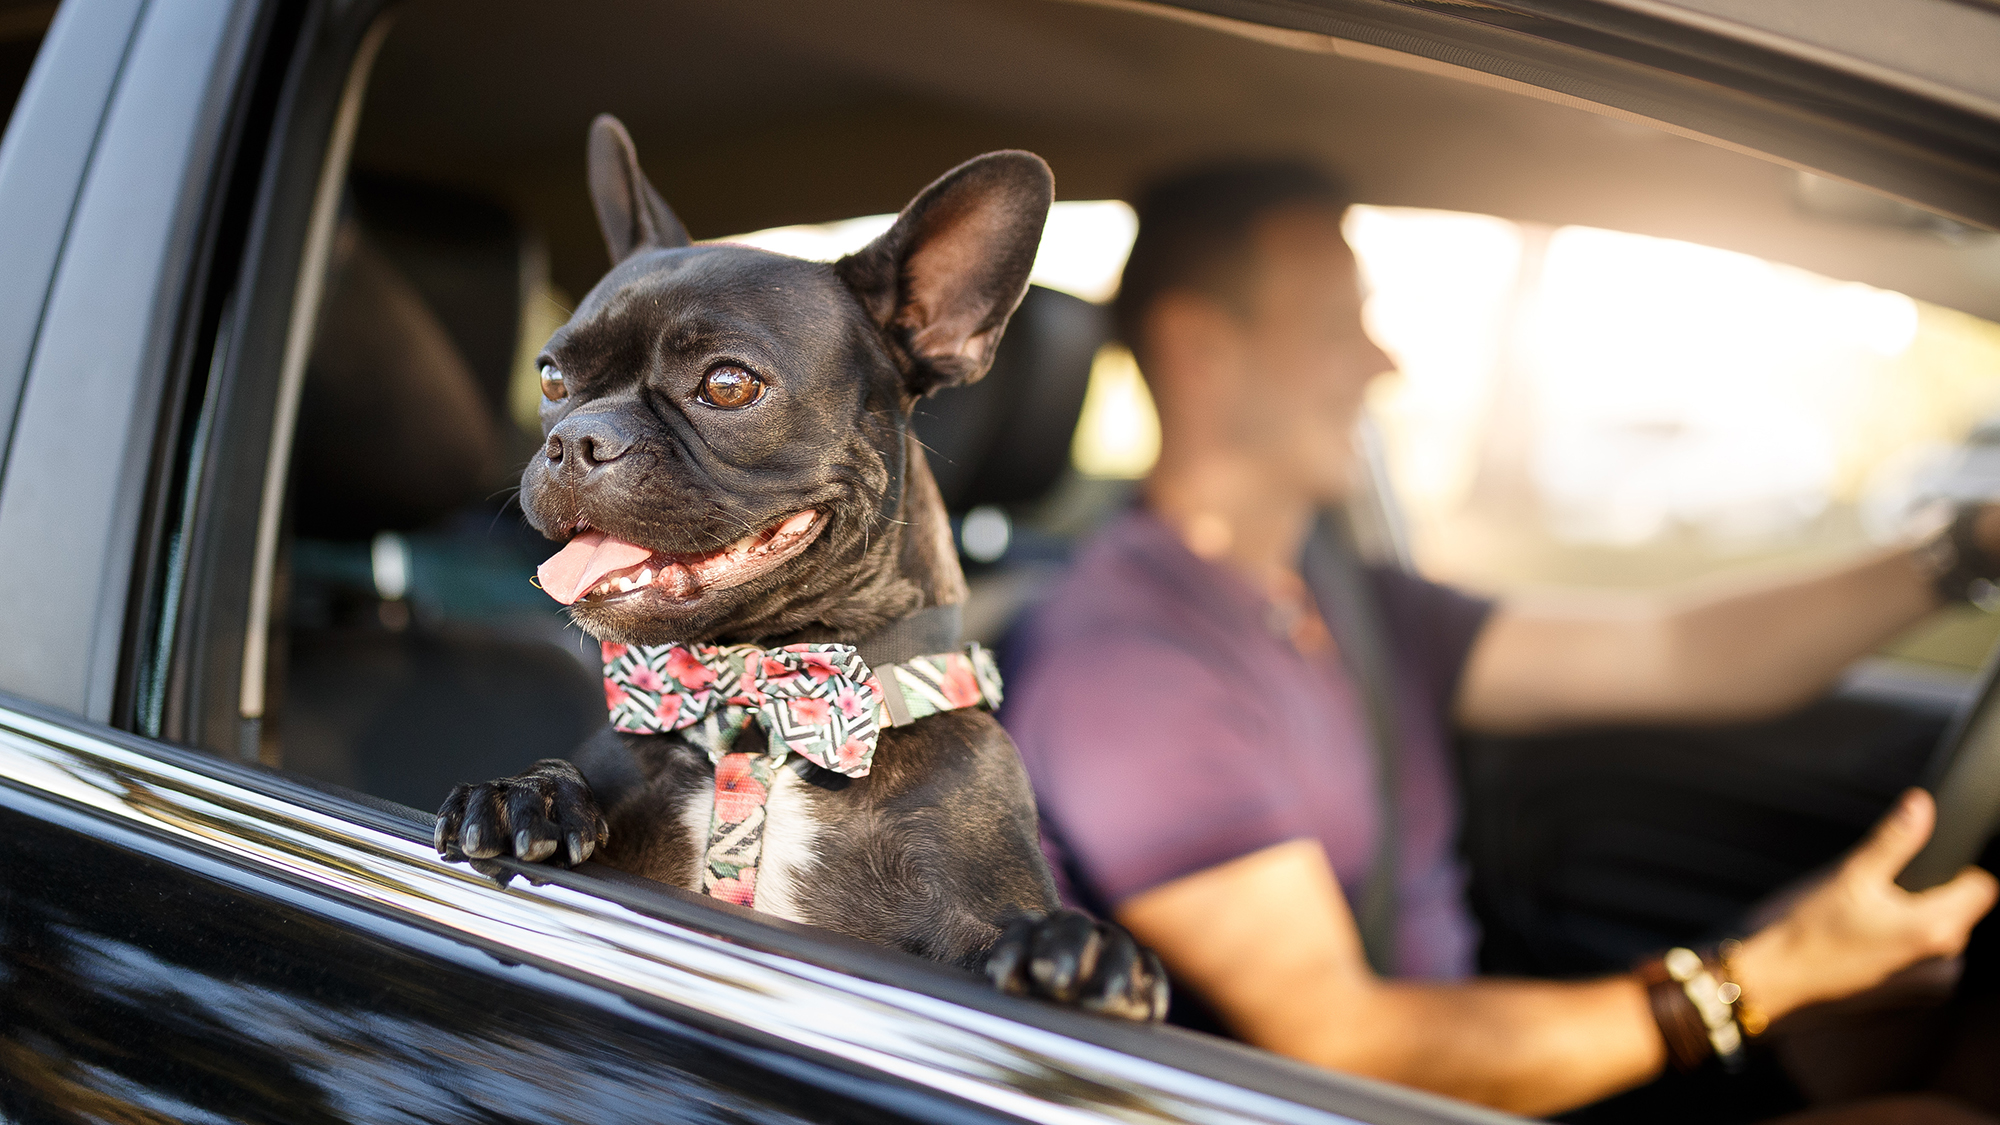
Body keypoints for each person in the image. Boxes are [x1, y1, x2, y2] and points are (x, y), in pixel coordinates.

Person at [1000, 161, 2000, 1120]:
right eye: (1337, 322)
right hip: (1380, 1105)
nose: (1381, 362)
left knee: (1929, 1024)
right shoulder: (1130, 668)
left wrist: (1960, 553)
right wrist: (1754, 981)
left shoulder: (1350, 603)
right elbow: (1347, 1050)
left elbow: (1670, 650)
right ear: (1199, 350)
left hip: (1474, 1068)